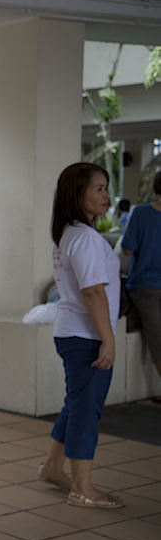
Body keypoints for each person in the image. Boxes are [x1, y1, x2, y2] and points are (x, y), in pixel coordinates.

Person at [40, 162, 123, 509]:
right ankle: (82, 487)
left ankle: (53, 468)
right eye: (98, 189)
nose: (106, 196)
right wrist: (108, 339)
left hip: (74, 332)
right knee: (86, 411)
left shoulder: (71, 233)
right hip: (86, 336)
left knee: (76, 405)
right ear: (78, 194)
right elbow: (93, 291)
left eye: (106, 188)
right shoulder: (84, 238)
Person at [121, 171, 161, 401]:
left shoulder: (141, 213)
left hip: (144, 286)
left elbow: (127, 249)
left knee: (156, 337)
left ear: (155, 189)